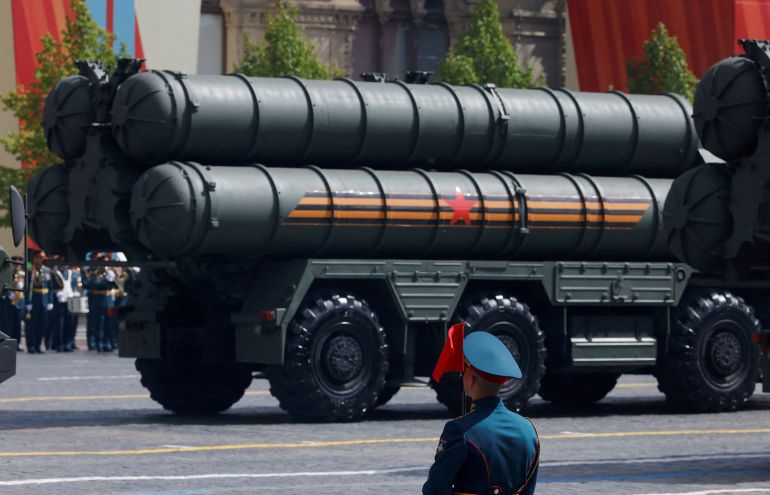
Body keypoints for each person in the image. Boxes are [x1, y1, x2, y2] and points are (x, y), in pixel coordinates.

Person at [423, 332, 540, 495]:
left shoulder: (458, 430)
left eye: (464, 371)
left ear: (470, 378)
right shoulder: (529, 430)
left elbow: (434, 489)